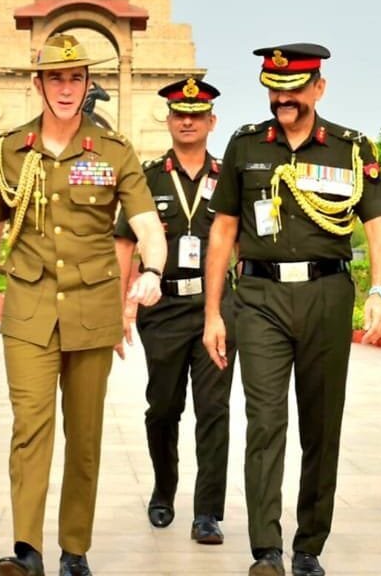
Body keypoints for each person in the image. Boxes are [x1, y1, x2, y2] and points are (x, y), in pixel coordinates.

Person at [0, 33, 167, 576]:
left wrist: (152, 270)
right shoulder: (10, 149)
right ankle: (27, 549)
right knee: (29, 425)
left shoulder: (114, 151)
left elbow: (148, 225)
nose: (65, 87)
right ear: (38, 83)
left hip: (92, 309)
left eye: (75, 77)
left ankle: (74, 549)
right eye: (55, 77)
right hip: (29, 308)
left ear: (86, 85)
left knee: (84, 435)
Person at [202, 43, 381, 576]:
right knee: (264, 421)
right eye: (274, 87)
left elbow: (377, 225)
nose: (282, 97)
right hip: (259, 296)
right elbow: (223, 230)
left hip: (327, 295)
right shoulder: (245, 147)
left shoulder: (351, 149)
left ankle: (309, 545)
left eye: (293, 88)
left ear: (318, 88)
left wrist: (379, 291)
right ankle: (266, 550)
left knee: (321, 422)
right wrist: (213, 312)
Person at [113, 76, 236, 545]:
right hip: (161, 306)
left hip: (216, 306)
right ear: (168, 120)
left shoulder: (230, 178)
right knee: (163, 406)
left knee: (214, 408)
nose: (187, 121)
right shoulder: (146, 178)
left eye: (196, 114)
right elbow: (125, 244)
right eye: (179, 114)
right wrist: (123, 307)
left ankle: (208, 512)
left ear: (211, 121)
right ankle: (164, 489)